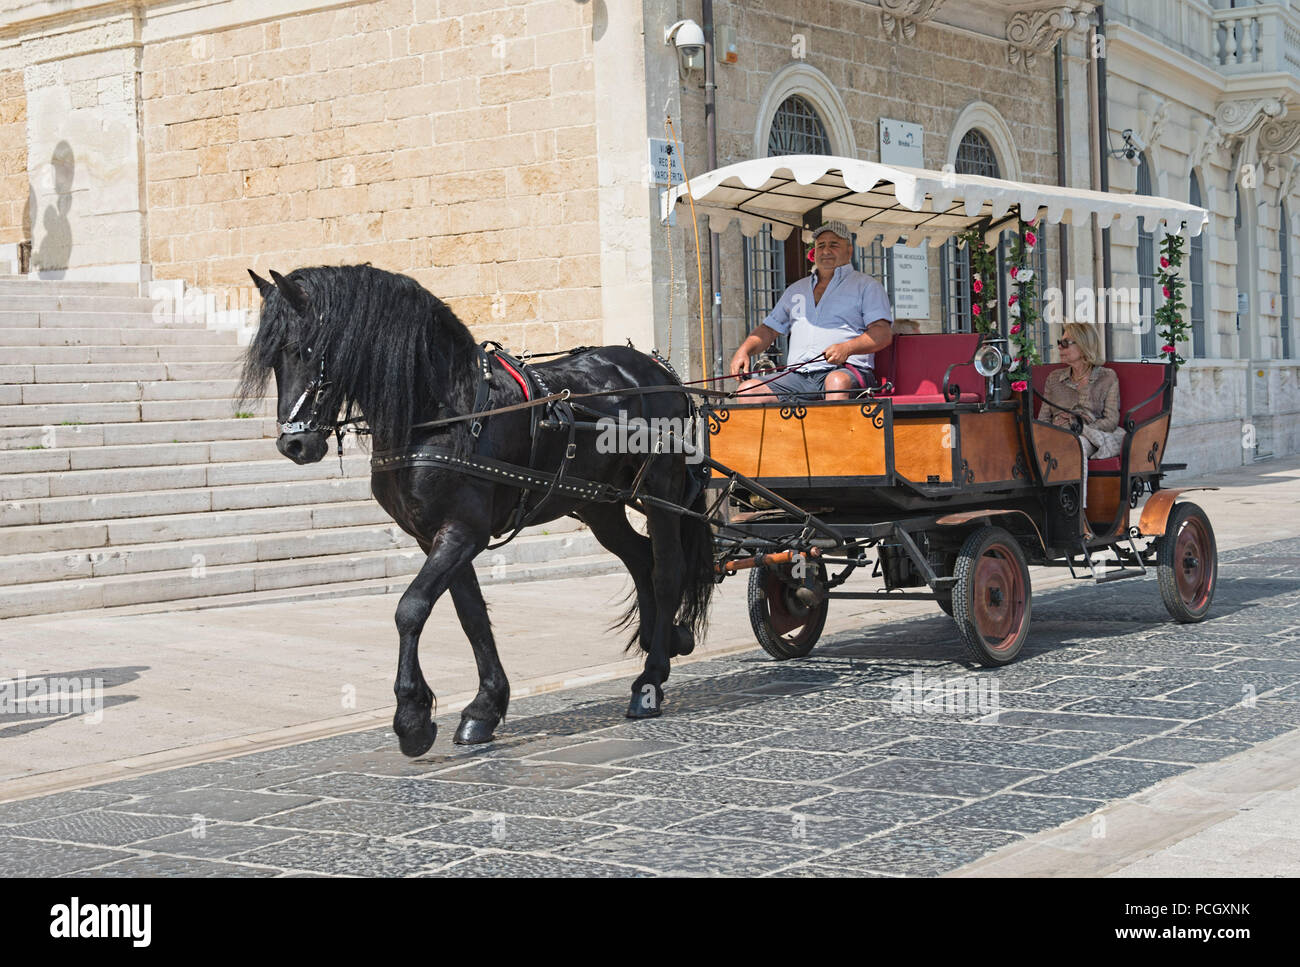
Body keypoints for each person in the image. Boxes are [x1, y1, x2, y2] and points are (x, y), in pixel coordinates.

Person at [729, 220, 893, 402]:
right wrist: (744, 350)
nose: (826, 251)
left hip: (846, 371)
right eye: (821, 245)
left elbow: (882, 333)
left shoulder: (866, 286)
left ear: (849, 250)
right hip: (798, 375)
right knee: (747, 391)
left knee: (836, 382)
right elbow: (769, 329)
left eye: (834, 245)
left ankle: (832, 431)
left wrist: (847, 348)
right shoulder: (796, 289)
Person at [1040, 322, 1125, 461]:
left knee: (1075, 446)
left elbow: (1111, 420)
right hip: (1058, 434)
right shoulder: (1054, 378)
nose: (1060, 347)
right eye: (1059, 342)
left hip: (1089, 436)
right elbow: (1043, 419)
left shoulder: (1107, 377)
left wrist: (1081, 428)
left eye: (1065, 343)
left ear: (1084, 345)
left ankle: (1074, 484)